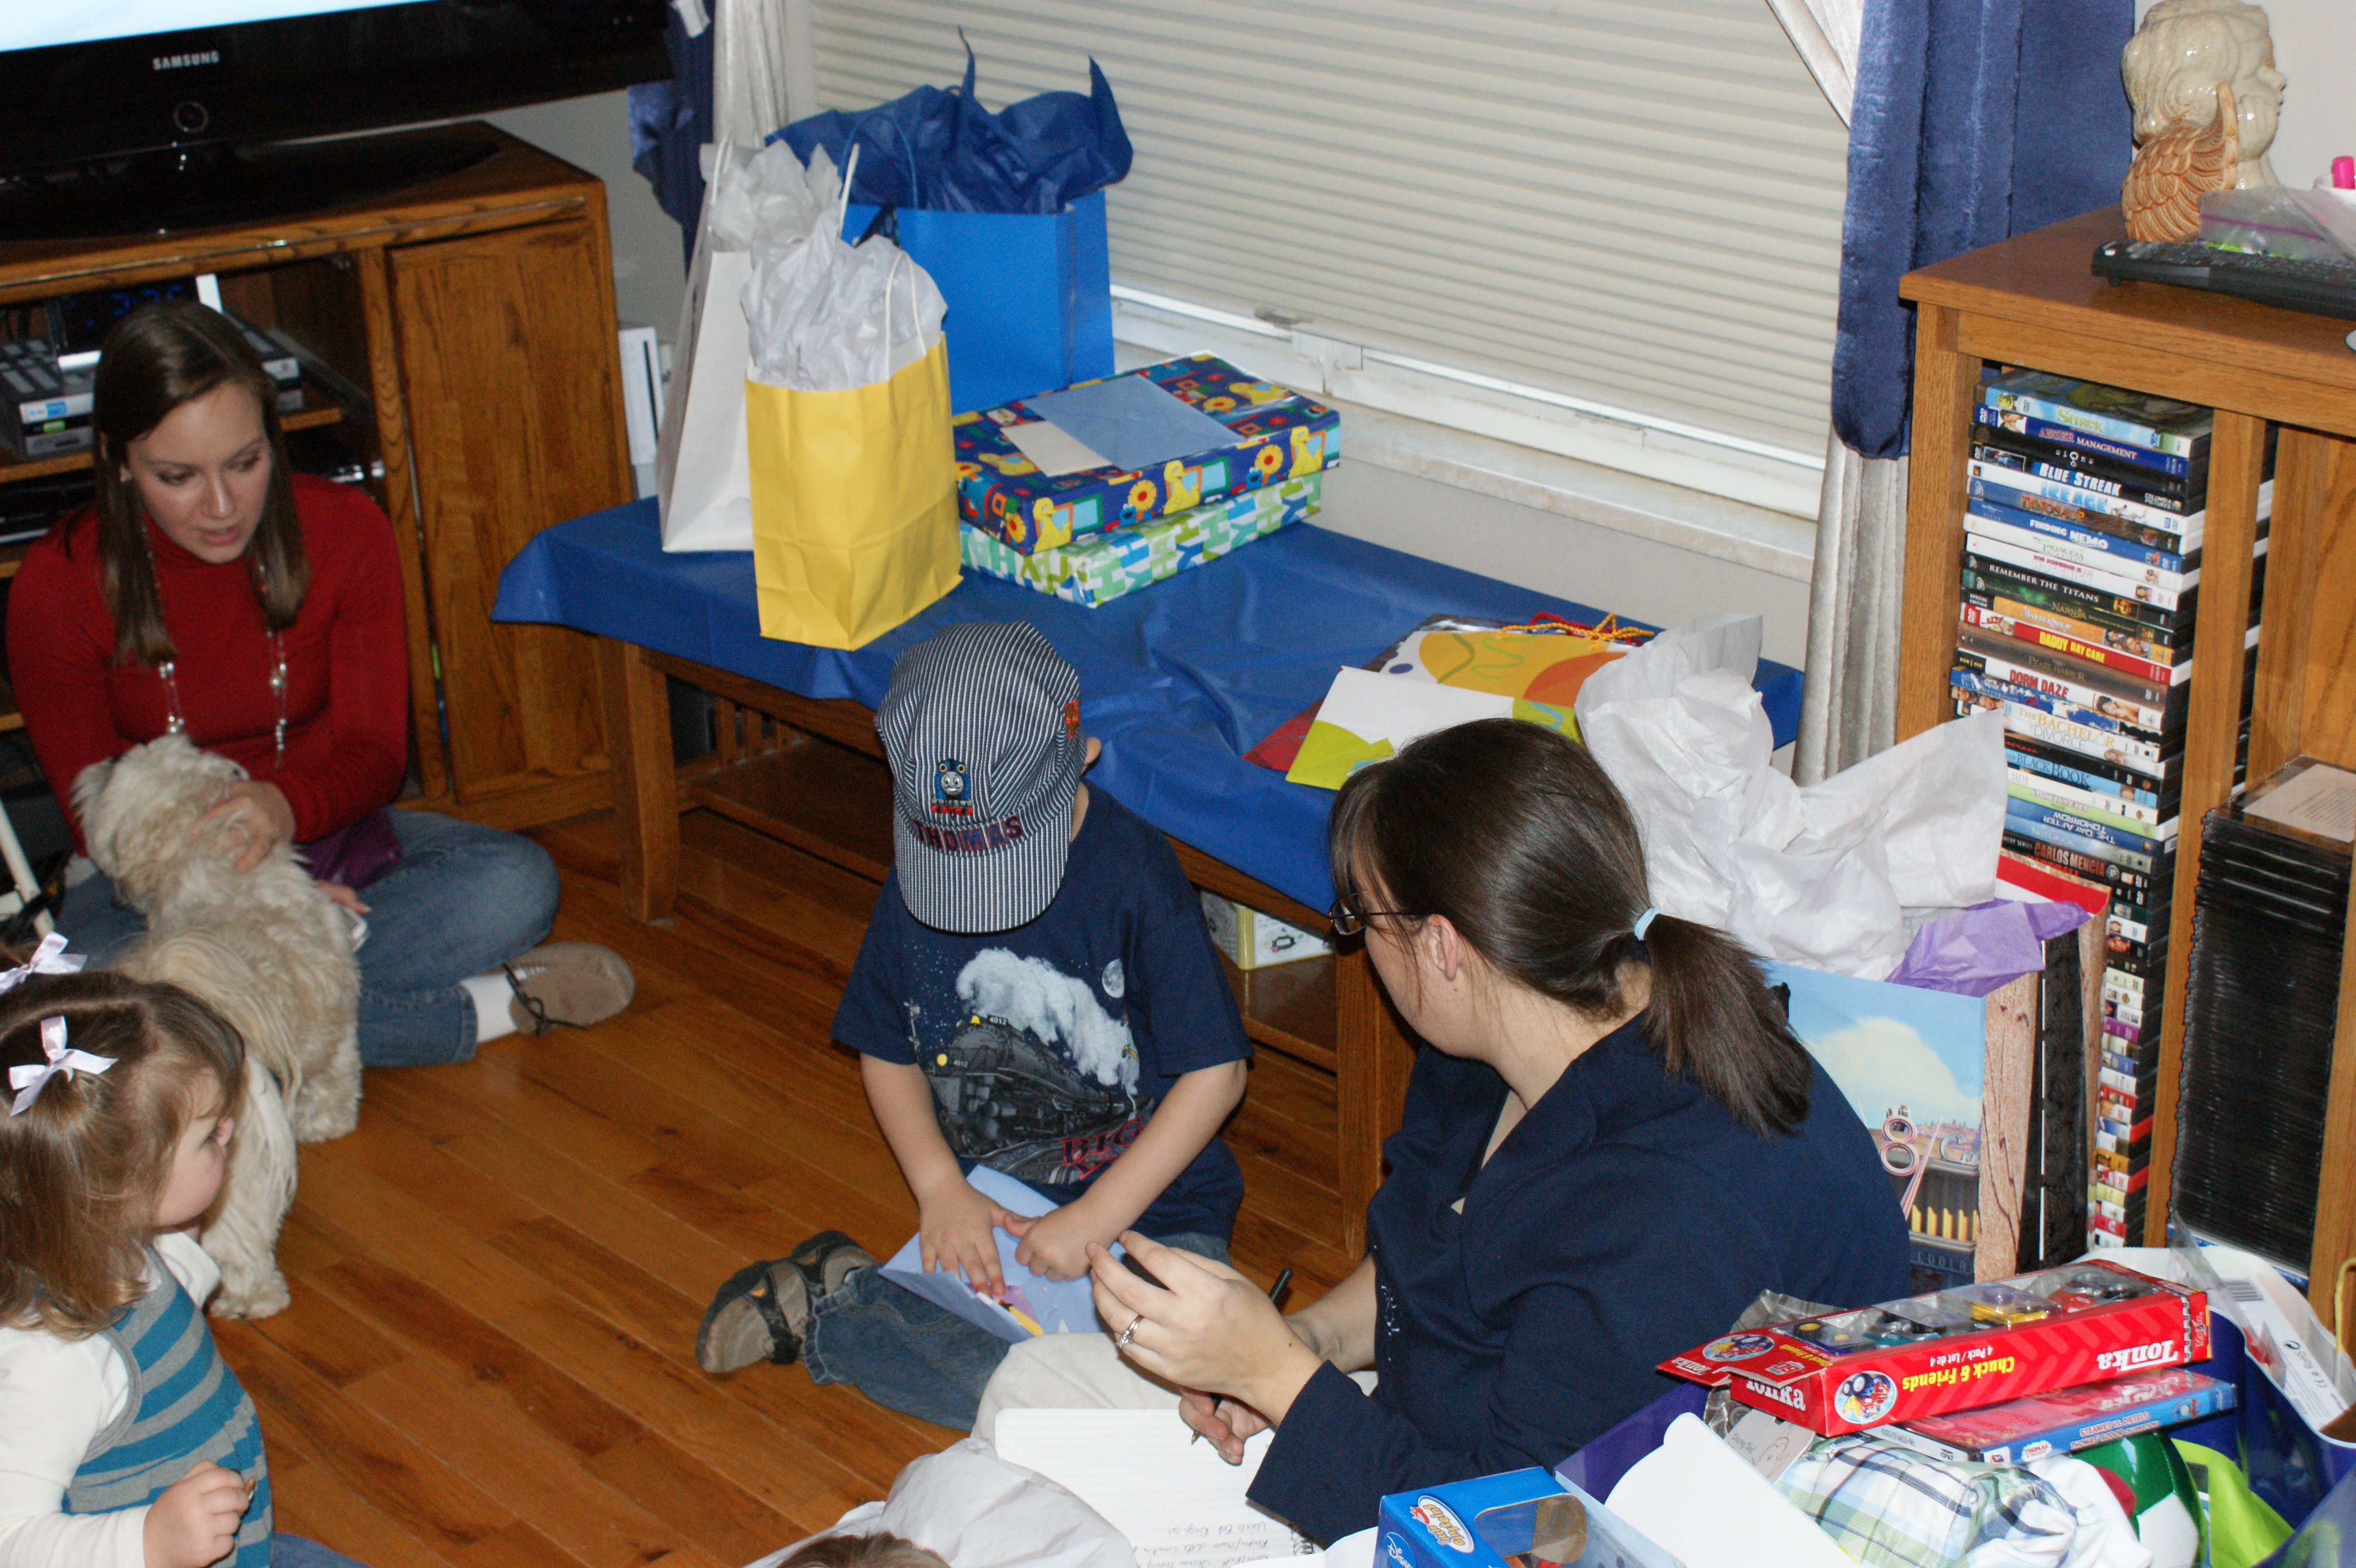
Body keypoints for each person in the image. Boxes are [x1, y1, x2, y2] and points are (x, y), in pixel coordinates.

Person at [1065, 720, 1912, 1544]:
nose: (1360, 949)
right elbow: (1432, 1258)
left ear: (1442, 948)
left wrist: (1271, 1375)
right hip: (1452, 1441)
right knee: (1043, 1401)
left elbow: (1520, 1532)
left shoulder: (1667, 1212)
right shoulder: (1515, 1028)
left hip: (1564, 1524)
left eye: (1363, 922)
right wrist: (1308, 1340)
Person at [7, 300, 632, 1065]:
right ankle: (477, 1012)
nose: (222, 506)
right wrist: (260, 914)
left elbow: (375, 755)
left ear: (272, 439)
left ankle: (217, 1041)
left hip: (326, 842)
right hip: (151, 883)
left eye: (245, 462)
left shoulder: (345, 529)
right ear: (118, 461)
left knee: (515, 882)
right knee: (90, 1009)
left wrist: (284, 815)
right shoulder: (57, 583)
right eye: (178, 477)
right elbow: (96, 824)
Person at [695, 622, 1251, 1431]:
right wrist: (939, 1189)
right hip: (991, 1210)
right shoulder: (914, 885)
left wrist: (1096, 1219)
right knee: (1086, 1400)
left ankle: (861, 1307)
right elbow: (887, 1052)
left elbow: (1218, 1075)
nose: (976, 896)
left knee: (1170, 1378)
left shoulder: (1136, 874)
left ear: (1084, 756)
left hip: (1153, 1208)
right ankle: (842, 1306)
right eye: (953, 864)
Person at [0, 943, 366, 1568]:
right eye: (209, 1133)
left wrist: (182, 1256)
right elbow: (11, 1538)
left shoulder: (108, 1244)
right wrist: (146, 1541)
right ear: (120, 1184)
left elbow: (155, 1314)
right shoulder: (54, 1354)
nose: (230, 1132)